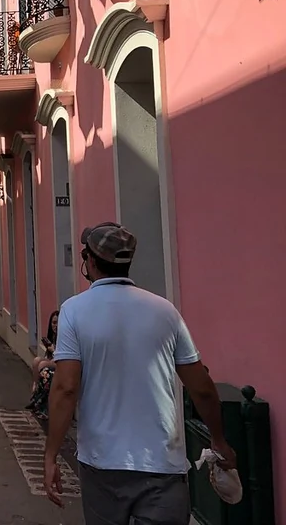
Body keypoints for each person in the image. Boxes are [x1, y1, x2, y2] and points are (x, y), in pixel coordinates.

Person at [44, 222, 236, 524]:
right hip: (162, 464)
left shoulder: (74, 311)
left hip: (102, 464)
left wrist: (51, 454)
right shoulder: (165, 311)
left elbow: (66, 388)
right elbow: (201, 388)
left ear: (90, 262)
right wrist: (219, 440)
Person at [28, 310, 59, 419]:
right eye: (53, 323)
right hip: (53, 362)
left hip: (61, 365)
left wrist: (53, 350)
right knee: (37, 361)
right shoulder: (53, 337)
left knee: (43, 368)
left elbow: (62, 357)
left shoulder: (64, 337)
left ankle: (40, 403)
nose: (55, 326)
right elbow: (48, 357)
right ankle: (35, 391)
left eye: (57, 323)